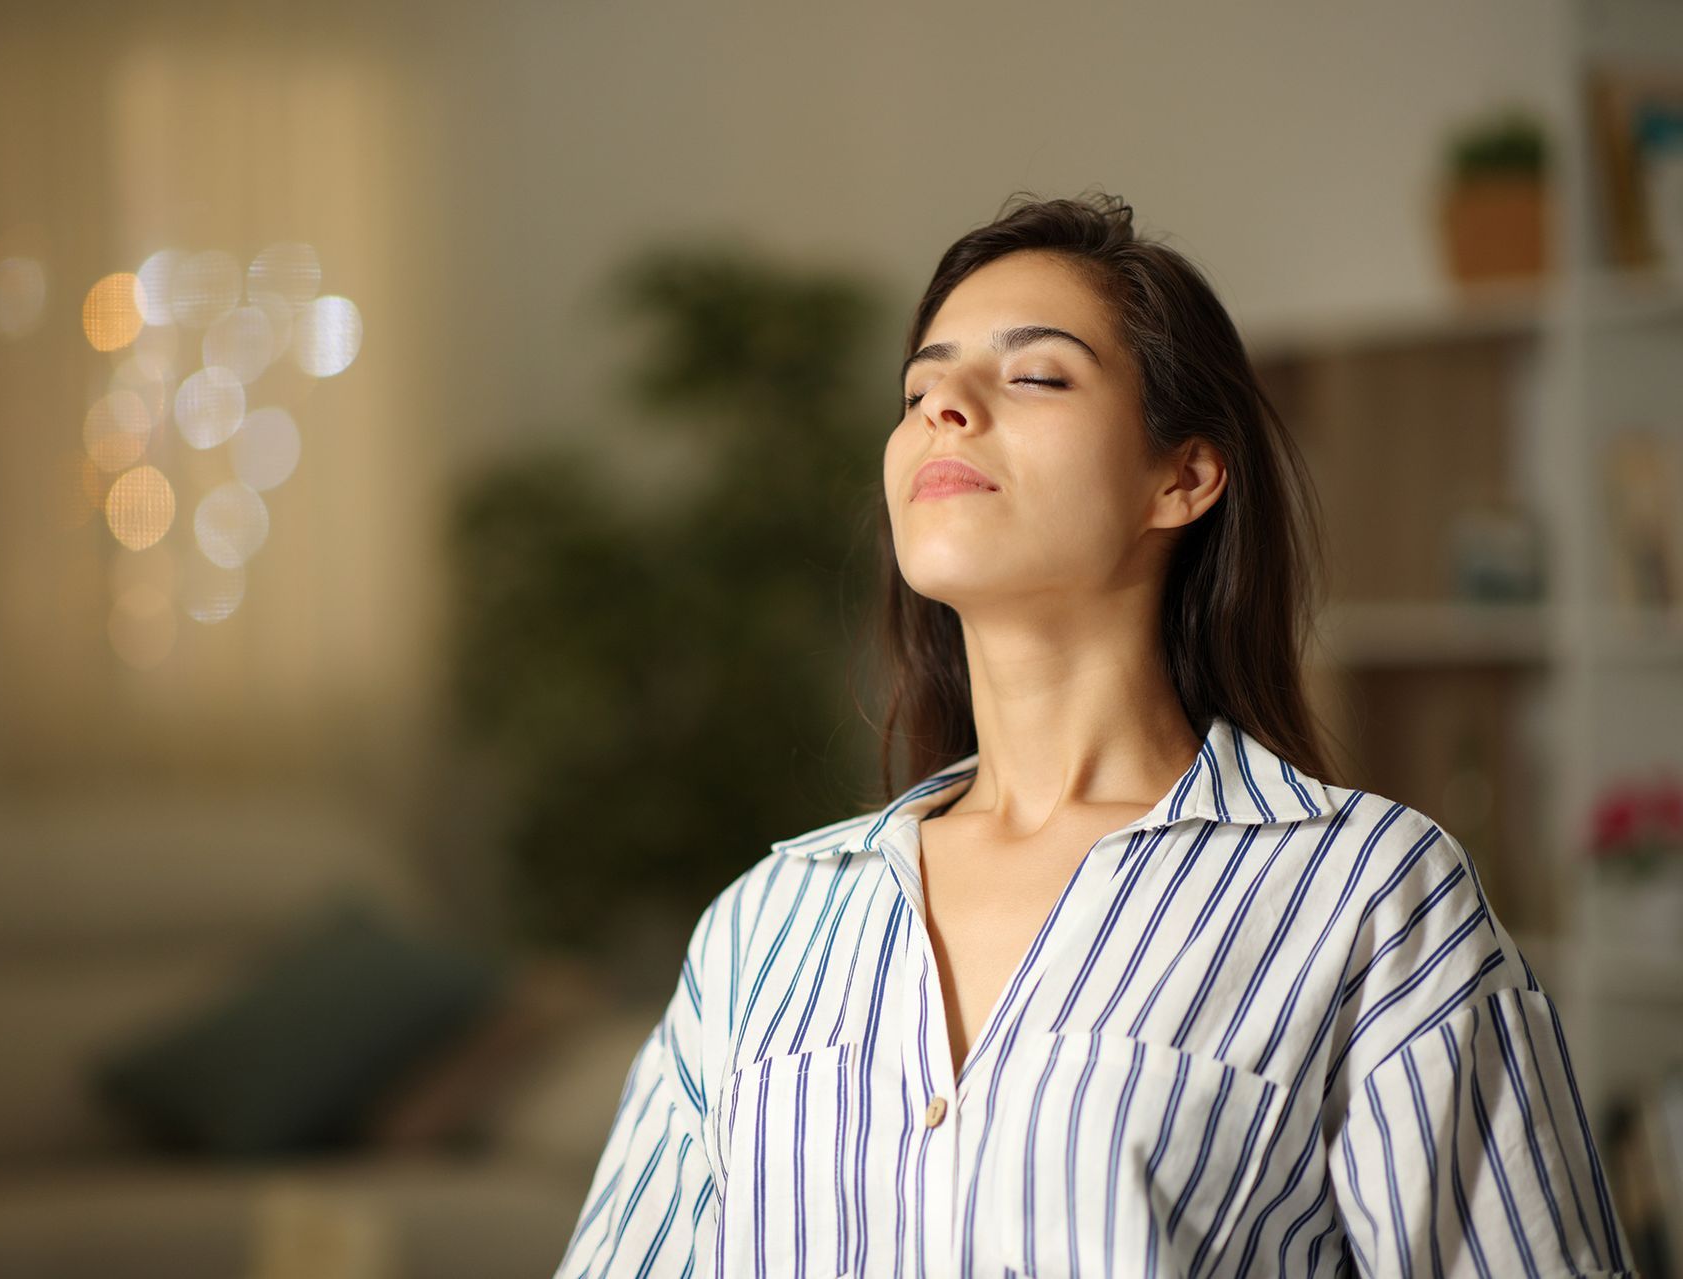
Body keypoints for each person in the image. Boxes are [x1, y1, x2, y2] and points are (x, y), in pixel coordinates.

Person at [553, 190, 1637, 1278]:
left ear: (1184, 475)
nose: (946, 409)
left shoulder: (1370, 899)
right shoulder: (763, 927)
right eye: (919, 386)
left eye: (1034, 374)